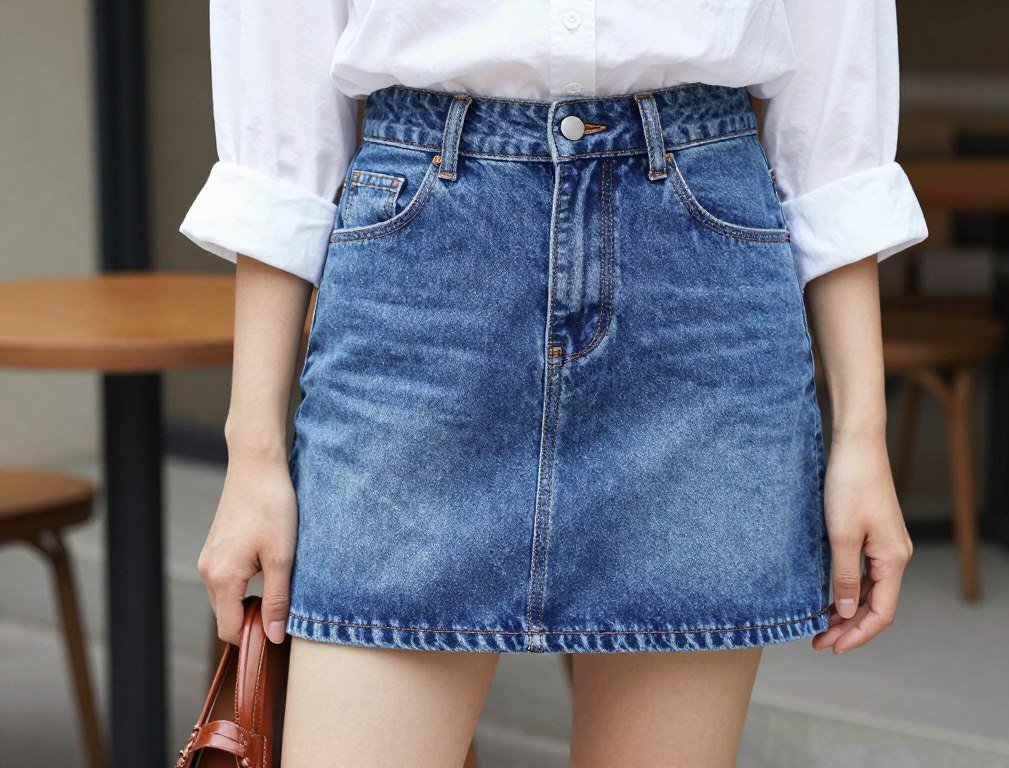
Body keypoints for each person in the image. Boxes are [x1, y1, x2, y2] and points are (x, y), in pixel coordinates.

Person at [180, 1, 926, 764]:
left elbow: (833, 133)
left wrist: (862, 436)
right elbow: (281, 137)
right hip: (422, 284)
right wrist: (253, 452)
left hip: (696, 285)